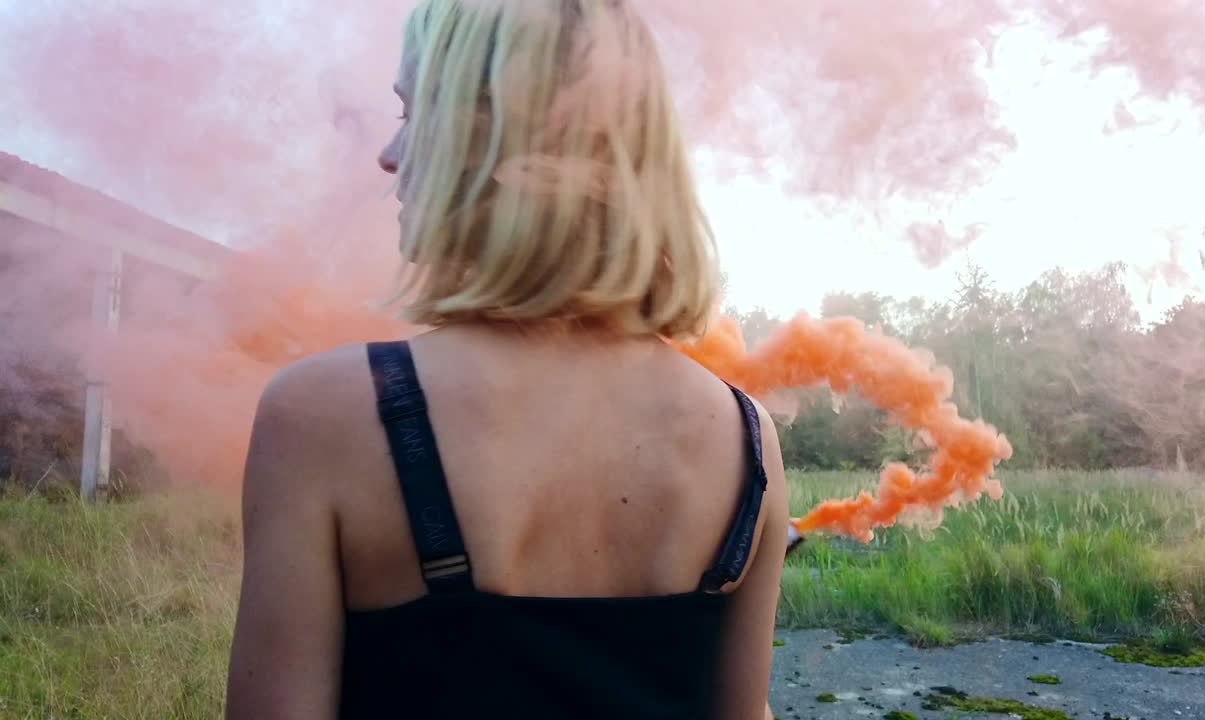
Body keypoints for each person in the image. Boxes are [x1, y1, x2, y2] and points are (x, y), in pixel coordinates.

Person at [224, 1, 790, 718]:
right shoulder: (746, 439)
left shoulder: (324, 416)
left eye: (413, 112)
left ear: (507, 148)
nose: (388, 154)